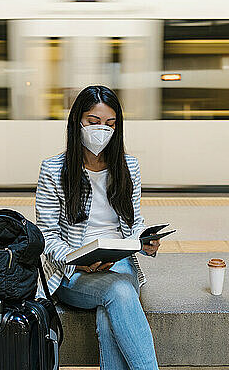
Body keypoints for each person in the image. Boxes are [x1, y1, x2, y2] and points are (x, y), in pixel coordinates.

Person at [34, 85, 160, 370]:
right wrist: (76, 261)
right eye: (93, 122)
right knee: (120, 292)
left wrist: (143, 239)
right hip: (72, 270)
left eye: (110, 124)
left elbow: (133, 221)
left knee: (110, 309)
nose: (102, 130)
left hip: (119, 260)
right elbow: (46, 235)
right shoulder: (53, 170)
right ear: (77, 121)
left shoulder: (129, 167)